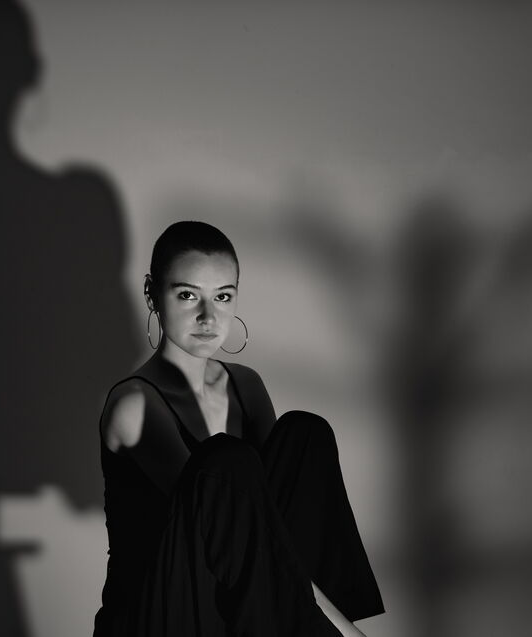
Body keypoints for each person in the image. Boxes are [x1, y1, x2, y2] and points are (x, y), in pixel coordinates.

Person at [93, 221, 384, 636]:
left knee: (305, 433)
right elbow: (236, 525)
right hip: (157, 616)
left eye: (223, 296)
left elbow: (274, 530)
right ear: (151, 293)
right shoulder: (135, 404)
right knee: (226, 461)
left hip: (231, 604)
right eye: (188, 295)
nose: (208, 317)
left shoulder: (245, 385)